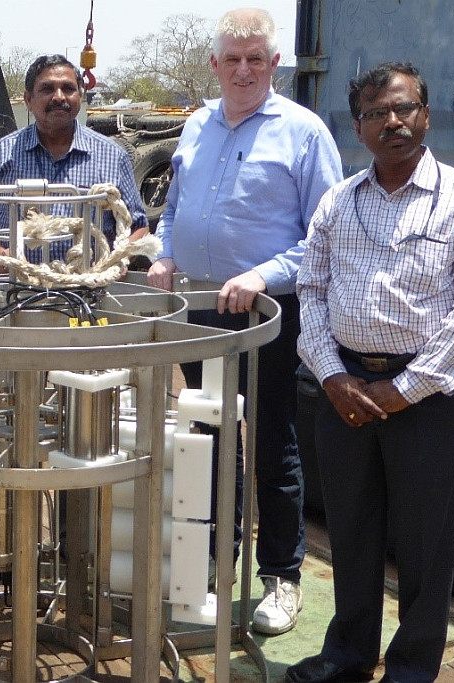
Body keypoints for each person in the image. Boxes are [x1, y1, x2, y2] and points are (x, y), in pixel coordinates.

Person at [288, 62, 454, 683]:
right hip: (344, 391)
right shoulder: (338, 202)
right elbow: (311, 291)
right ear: (359, 127)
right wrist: (332, 377)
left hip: (427, 395)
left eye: (404, 108)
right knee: (350, 530)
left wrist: (404, 390)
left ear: (425, 116)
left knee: (425, 541)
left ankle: (411, 668)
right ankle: (348, 656)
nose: (393, 122)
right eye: (377, 113)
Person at [146, 7, 343, 635]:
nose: (243, 69)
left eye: (256, 58)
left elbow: (327, 235)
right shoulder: (197, 124)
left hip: (265, 316)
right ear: (214, 63)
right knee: (206, 436)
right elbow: (172, 208)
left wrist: (262, 275)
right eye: (232, 58)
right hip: (199, 311)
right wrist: (164, 253)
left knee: (271, 445)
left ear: (274, 63)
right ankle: (212, 561)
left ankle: (281, 577)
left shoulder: (304, 132)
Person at [0, 54, 149, 263]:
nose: (59, 97)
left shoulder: (113, 156)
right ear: (28, 100)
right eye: (47, 89)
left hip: (90, 281)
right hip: (16, 282)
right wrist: (3, 258)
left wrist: (116, 261)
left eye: (68, 88)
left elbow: (139, 227)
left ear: (80, 96)